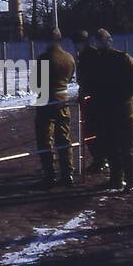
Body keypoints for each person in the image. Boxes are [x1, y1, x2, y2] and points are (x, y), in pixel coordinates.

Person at [95, 28, 133, 192]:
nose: (99, 44)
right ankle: (116, 179)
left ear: (109, 41)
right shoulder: (100, 61)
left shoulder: (123, 58)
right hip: (109, 112)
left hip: (124, 111)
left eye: (102, 41)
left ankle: (131, 180)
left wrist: (121, 96)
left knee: (128, 147)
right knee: (112, 148)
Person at [33, 29, 77, 189]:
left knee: (45, 139)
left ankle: (50, 174)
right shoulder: (69, 58)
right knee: (64, 138)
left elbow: (36, 84)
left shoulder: (43, 58)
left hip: (46, 102)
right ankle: (68, 174)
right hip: (63, 101)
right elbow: (71, 77)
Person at [74, 30, 106, 174]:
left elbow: (88, 79)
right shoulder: (88, 54)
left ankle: (100, 160)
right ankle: (101, 159)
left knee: (93, 132)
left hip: (93, 100)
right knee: (94, 131)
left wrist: (85, 93)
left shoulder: (89, 55)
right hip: (94, 98)